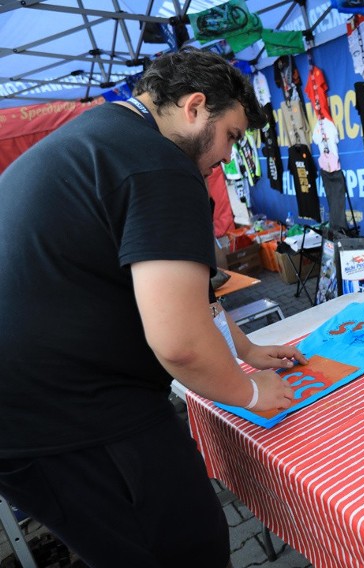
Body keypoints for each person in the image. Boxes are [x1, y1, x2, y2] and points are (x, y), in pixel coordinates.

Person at [0, 49, 306, 567]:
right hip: (71, 413)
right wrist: (250, 393)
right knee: (184, 550)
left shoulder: (107, 134)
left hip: (34, 411)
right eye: (231, 135)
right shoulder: (159, 165)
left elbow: (192, 292)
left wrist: (246, 348)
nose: (230, 157)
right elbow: (180, 345)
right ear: (194, 107)